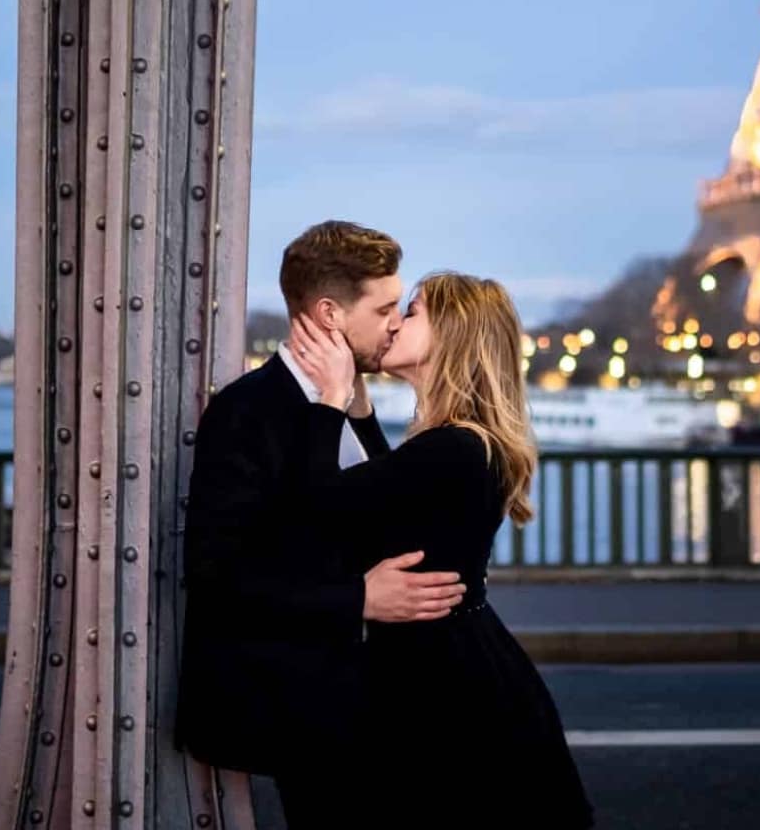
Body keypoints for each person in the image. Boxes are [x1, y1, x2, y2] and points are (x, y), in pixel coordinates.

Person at [177, 221, 467, 828]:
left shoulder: (351, 400)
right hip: (299, 702)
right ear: (330, 313)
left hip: (359, 697)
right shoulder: (247, 410)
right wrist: (358, 598)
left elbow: (370, 514)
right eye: (386, 307)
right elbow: (214, 573)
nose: (396, 321)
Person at [288, 271, 594, 830]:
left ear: (453, 334)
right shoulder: (461, 441)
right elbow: (391, 498)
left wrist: (328, 402)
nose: (396, 321)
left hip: (443, 688)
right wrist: (359, 409)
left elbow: (321, 509)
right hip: (459, 666)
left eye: (414, 311)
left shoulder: (452, 448)